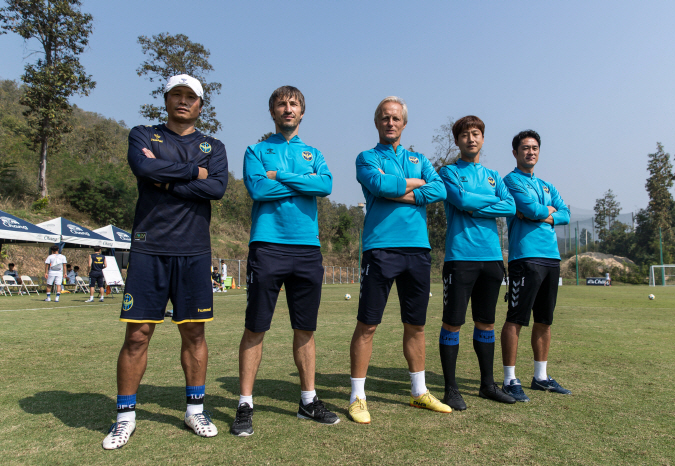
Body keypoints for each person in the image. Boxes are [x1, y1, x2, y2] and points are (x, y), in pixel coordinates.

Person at [102, 74, 228, 450]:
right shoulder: (143, 134)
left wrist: (164, 175)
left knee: (194, 333)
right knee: (137, 335)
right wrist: (193, 171)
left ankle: (195, 410)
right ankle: (125, 417)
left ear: (201, 105)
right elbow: (144, 169)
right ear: (166, 99)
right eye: (177, 94)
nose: (184, 101)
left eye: (191, 96)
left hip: (193, 251)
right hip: (148, 248)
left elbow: (216, 188)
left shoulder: (213, 145)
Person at [231, 85, 337, 437]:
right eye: (281, 103)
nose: (288, 108)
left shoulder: (313, 152)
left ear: (302, 112)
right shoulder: (256, 150)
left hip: (307, 248)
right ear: (272, 112)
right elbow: (259, 189)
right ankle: (245, 403)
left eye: (294, 104)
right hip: (268, 246)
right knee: (256, 327)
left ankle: (308, 401)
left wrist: (282, 177)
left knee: (305, 329)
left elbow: (325, 185)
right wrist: (302, 182)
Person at [348, 96, 449, 425]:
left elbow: (440, 189)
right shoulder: (366, 158)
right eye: (384, 118)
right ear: (376, 123)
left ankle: (419, 392)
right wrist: (417, 186)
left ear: (404, 124)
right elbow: (376, 183)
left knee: (416, 325)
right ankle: (357, 397)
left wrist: (407, 190)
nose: (390, 123)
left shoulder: (419, 158)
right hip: (380, 249)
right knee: (368, 325)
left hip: (418, 249)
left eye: (396, 118)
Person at [438, 116, 517, 410]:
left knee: (486, 322)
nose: (471, 139)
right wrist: (482, 203)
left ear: (483, 138)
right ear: (457, 141)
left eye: (476, 133)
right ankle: (451, 389)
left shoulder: (494, 175)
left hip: (492, 259)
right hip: (460, 258)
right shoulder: (448, 172)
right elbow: (461, 201)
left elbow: (509, 206)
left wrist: (476, 203)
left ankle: (487, 385)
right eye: (465, 135)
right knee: (453, 323)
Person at [500, 130, 572, 402]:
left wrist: (549, 215)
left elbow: (564, 212)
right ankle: (509, 379)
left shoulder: (546, 185)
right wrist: (548, 211)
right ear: (515, 152)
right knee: (516, 318)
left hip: (551, 258)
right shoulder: (510, 181)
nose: (530, 152)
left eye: (534, 148)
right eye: (525, 148)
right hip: (525, 258)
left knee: (544, 320)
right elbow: (530, 210)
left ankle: (540, 377)